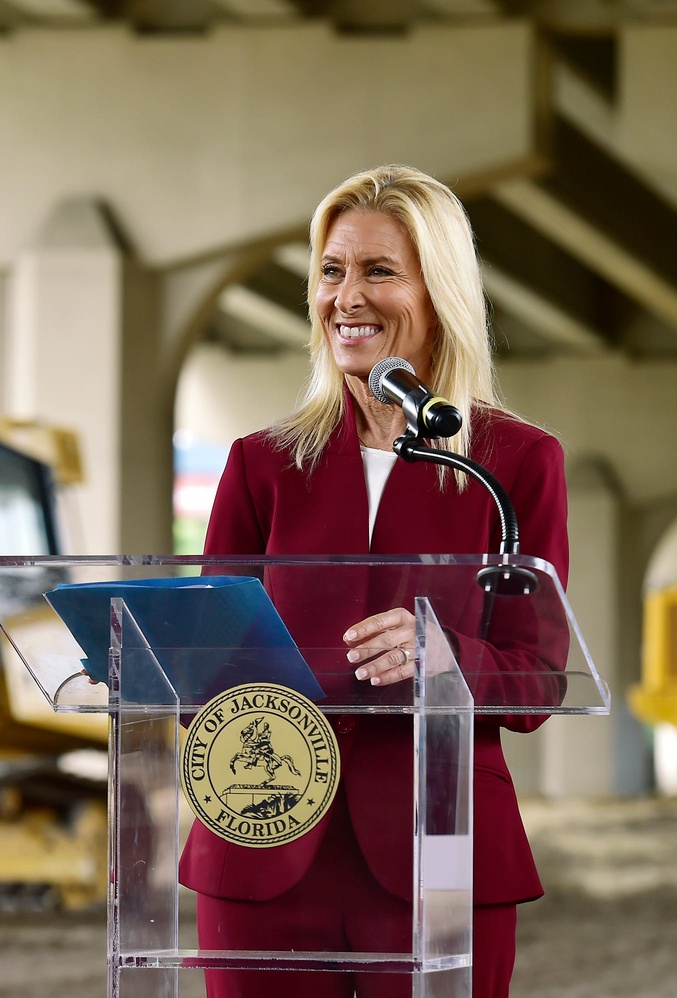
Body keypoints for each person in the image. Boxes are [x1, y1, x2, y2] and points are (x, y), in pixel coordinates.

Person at [178, 165, 569, 997]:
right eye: (331, 271)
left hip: (439, 849)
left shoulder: (518, 466)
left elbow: (535, 679)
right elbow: (202, 669)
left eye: (378, 271)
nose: (344, 296)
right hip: (264, 831)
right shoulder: (261, 465)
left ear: (440, 293)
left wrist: (446, 655)